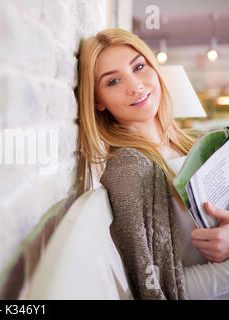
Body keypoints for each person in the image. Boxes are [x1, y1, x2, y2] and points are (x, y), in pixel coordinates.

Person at [76, 28, 229, 300]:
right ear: (98, 101)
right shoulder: (129, 171)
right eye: (112, 82)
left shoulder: (199, 144)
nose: (135, 85)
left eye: (138, 66)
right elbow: (160, 286)